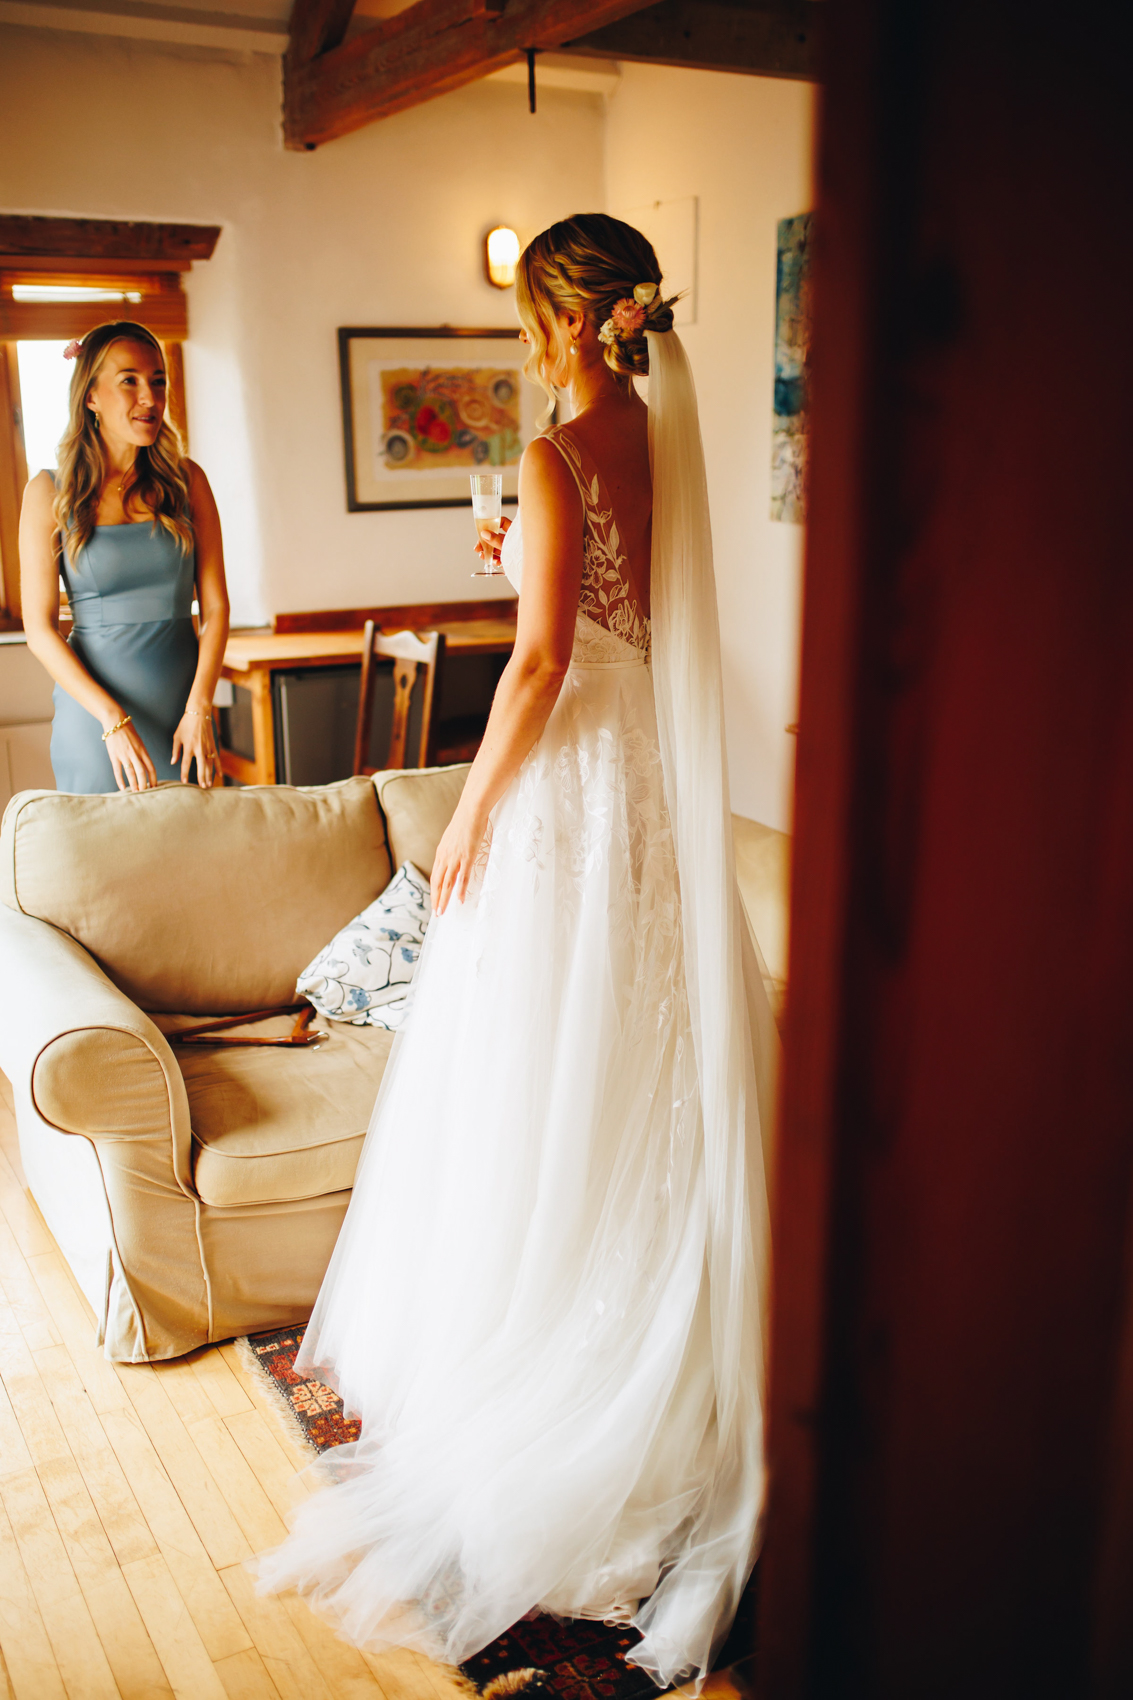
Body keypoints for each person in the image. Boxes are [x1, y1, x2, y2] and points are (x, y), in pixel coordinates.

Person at [258, 214, 778, 1690]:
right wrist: (526, 557)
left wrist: (468, 814)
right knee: (633, 1059)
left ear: (559, 321)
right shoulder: (664, 442)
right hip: (652, 800)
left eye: (526, 311)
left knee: (536, 1072)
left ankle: (547, 1366)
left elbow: (543, 663)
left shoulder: (559, 455)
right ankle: (672, 1358)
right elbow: (629, 621)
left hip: (564, 791)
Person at [19, 321, 229, 793]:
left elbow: (215, 609)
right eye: (129, 380)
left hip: (186, 715)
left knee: (201, 858)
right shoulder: (48, 493)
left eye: (158, 380)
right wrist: (111, 720)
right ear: (90, 396)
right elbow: (39, 628)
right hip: (95, 722)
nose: (150, 398)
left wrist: (199, 708)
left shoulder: (187, 482)